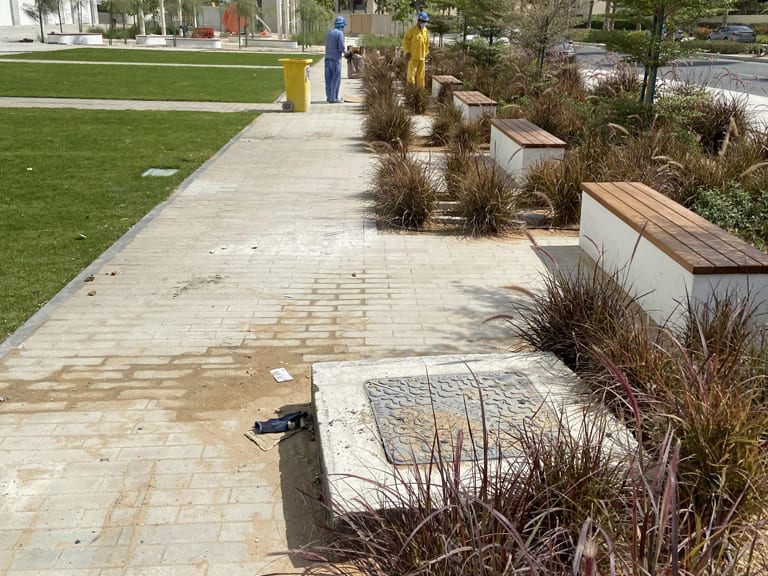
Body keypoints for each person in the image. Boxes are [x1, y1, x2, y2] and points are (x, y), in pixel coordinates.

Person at [402, 11, 429, 88]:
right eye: (423, 21)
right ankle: (411, 90)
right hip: (413, 57)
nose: (424, 23)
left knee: (421, 77)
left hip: (422, 58)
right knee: (411, 76)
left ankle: (420, 91)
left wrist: (426, 53)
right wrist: (407, 51)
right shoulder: (412, 30)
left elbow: (427, 43)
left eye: (425, 21)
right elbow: (405, 41)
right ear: (418, 21)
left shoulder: (425, 31)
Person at [325, 16, 348, 103]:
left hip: (327, 59)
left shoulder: (328, 33)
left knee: (328, 79)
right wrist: (346, 53)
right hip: (336, 60)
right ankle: (333, 98)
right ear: (342, 26)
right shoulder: (340, 34)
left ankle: (328, 97)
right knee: (336, 79)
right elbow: (341, 47)